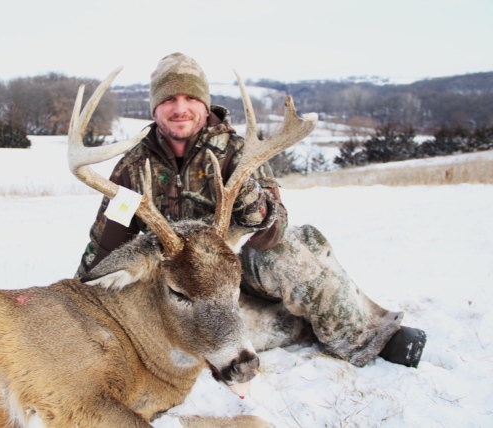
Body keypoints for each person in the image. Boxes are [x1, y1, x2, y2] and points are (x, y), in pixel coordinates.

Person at [75, 52, 426, 368]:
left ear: (205, 104)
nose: (180, 107)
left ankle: (364, 337)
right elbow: (109, 238)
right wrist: (76, 299)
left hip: (241, 263)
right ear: (155, 108)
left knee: (300, 247)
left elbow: (275, 231)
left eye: (190, 97)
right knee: (193, 334)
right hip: (187, 287)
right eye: (169, 99)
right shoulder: (134, 167)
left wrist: (248, 197)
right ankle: (296, 326)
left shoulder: (240, 152)